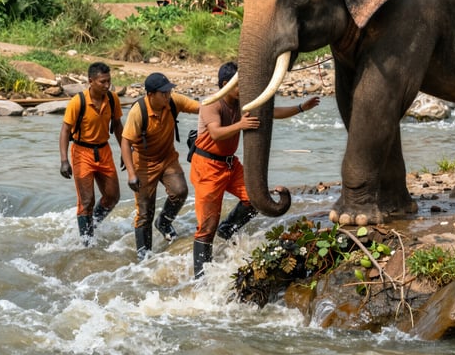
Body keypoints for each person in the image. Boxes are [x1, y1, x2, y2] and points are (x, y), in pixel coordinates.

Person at [190, 62, 320, 277]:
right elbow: (215, 133)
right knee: (206, 226)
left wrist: (300, 108)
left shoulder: (242, 102)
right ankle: (200, 277)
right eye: (241, 84)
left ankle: (227, 229)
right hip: (207, 166)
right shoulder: (211, 103)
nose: (246, 89)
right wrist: (240, 125)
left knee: (254, 198)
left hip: (230, 164)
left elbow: (271, 112)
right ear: (225, 84)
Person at [121, 73, 200, 261]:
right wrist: (131, 173)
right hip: (144, 163)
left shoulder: (173, 102)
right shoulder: (138, 111)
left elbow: (202, 109)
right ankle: (143, 257)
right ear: (150, 94)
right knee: (145, 212)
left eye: (169, 91)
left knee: (180, 191)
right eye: (163, 93)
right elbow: (125, 142)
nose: (168, 95)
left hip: (167, 158)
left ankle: (163, 222)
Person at [59, 62, 123, 245]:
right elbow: (65, 131)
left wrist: (126, 151)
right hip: (82, 152)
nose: (107, 85)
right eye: (102, 82)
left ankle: (93, 224)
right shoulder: (77, 102)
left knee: (112, 196)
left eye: (109, 81)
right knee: (86, 200)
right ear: (91, 81)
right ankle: (86, 242)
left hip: (104, 150)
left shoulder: (112, 99)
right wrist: (64, 160)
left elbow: (118, 126)